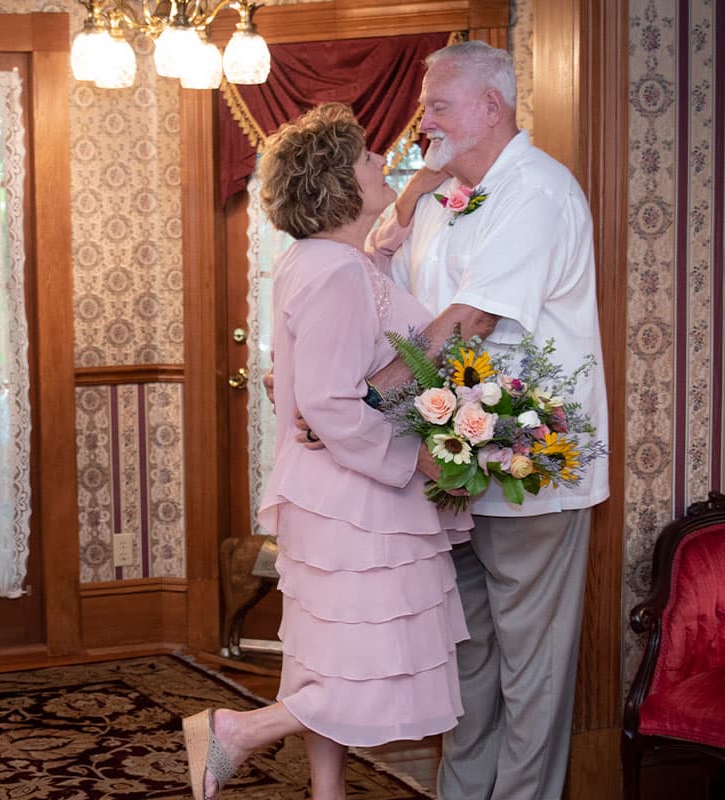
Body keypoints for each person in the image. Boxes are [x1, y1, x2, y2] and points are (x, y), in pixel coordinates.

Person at [181, 102, 472, 800]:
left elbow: (369, 282)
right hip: (357, 507)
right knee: (368, 668)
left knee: (328, 660)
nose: (381, 162)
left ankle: (326, 792)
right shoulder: (335, 273)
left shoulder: (326, 261)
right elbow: (334, 404)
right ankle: (239, 732)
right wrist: (420, 462)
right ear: (339, 183)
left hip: (334, 501)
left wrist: (410, 196)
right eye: (370, 157)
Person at [365, 40, 610, 800]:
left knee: (530, 668)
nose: (423, 118)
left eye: (439, 103)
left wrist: (370, 398)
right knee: (466, 658)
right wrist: (408, 199)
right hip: (449, 468)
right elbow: (394, 298)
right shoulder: (439, 200)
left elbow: (467, 321)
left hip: (533, 462)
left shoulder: (538, 190)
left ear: (490, 108)